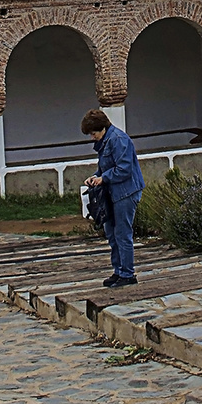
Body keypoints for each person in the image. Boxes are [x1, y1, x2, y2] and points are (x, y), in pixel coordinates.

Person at [82, 108, 141, 287]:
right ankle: (118, 270)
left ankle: (128, 273)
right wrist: (95, 176)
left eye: (93, 133)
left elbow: (124, 169)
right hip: (111, 192)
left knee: (122, 233)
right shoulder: (105, 141)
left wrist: (103, 178)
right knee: (111, 233)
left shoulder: (119, 140)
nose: (92, 137)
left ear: (102, 129)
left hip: (125, 192)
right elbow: (105, 166)